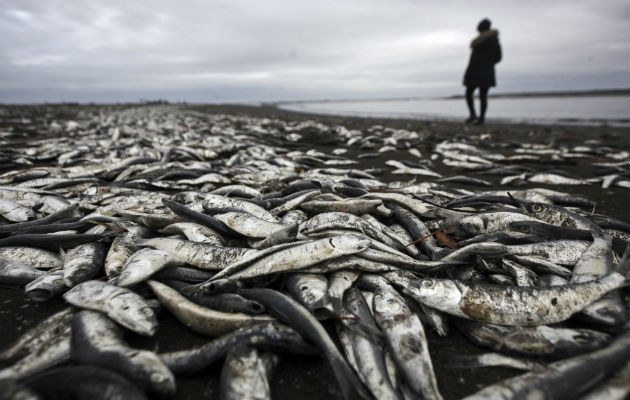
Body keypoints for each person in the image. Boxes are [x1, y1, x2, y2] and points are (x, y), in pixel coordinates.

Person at [463, 18, 502, 125]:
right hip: (488, 72)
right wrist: (489, 63)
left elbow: (473, 60)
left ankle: (473, 114)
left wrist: (467, 74)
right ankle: (481, 118)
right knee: (483, 96)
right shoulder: (495, 41)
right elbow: (498, 58)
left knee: (469, 92)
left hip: (475, 71)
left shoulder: (478, 42)